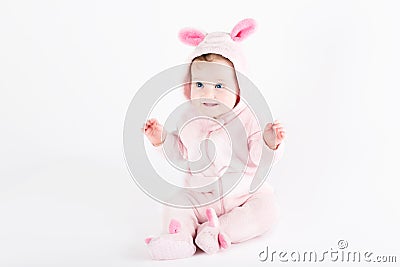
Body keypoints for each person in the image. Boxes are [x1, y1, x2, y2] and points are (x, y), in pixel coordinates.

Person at [141, 18, 286, 260]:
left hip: (242, 196)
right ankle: (180, 237)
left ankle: (218, 230)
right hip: (200, 196)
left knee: (267, 210)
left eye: (220, 85)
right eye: (199, 84)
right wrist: (161, 139)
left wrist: (269, 142)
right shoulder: (189, 118)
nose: (208, 93)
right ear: (189, 87)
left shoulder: (249, 118)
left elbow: (257, 160)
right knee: (174, 203)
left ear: (239, 87)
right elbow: (180, 153)